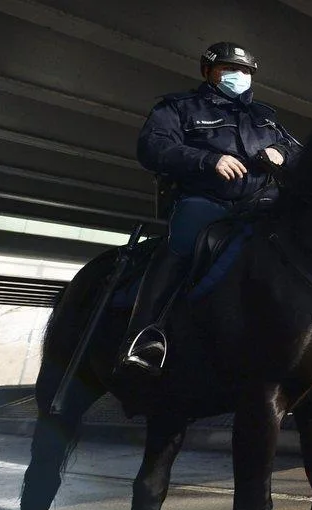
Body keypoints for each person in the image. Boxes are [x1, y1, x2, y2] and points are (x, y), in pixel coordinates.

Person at [119, 41, 302, 376]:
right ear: (208, 72)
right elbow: (152, 147)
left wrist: (280, 151)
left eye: (245, 71)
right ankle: (144, 338)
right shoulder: (179, 107)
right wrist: (208, 160)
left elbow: (300, 152)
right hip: (205, 202)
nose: (239, 76)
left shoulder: (265, 117)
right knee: (183, 246)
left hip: (261, 205)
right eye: (230, 69)